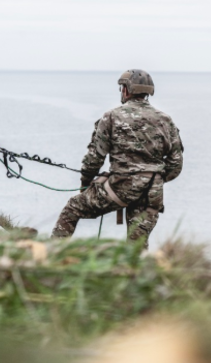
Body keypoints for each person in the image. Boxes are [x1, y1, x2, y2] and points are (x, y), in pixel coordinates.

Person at [51, 69, 184, 249]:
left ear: (126, 90)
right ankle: (136, 274)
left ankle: (52, 253)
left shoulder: (111, 116)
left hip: (120, 187)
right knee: (136, 244)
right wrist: (152, 179)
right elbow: (176, 163)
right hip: (152, 192)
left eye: (122, 87)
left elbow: (94, 158)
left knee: (73, 208)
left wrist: (86, 182)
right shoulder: (165, 120)